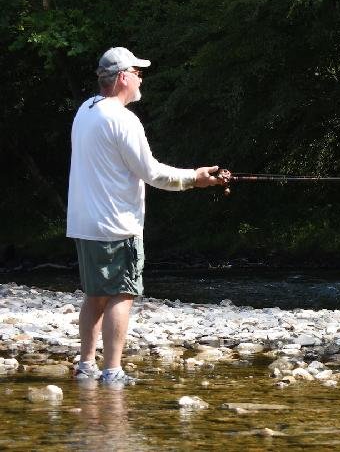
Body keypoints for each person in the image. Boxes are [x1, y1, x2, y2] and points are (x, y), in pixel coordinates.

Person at [66, 47, 229, 385]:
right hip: (117, 224)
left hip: (84, 223)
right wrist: (195, 179)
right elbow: (152, 173)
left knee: (95, 293)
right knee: (121, 294)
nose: (141, 78)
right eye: (138, 72)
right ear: (123, 77)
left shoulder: (85, 111)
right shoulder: (123, 119)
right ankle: (112, 371)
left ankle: (85, 366)